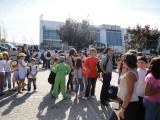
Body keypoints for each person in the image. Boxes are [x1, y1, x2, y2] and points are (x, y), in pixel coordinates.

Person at [117, 53, 139, 120]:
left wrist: (123, 109)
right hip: (128, 102)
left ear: (126, 62)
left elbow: (129, 93)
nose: (122, 62)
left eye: (123, 60)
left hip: (129, 103)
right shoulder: (131, 71)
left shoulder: (130, 73)